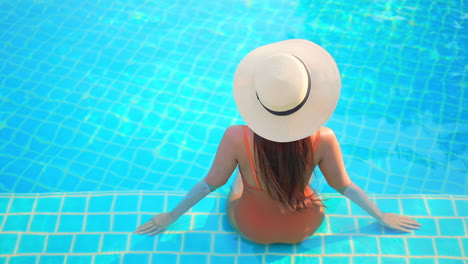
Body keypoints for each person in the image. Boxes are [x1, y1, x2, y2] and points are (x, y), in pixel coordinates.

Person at [134, 39, 421, 244]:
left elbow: (209, 184)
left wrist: (170, 217)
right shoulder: (324, 137)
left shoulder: (237, 136)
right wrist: (381, 215)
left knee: (237, 179)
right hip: (305, 226)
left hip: (251, 229)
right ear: (308, 98)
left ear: (259, 100)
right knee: (294, 179)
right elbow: (344, 185)